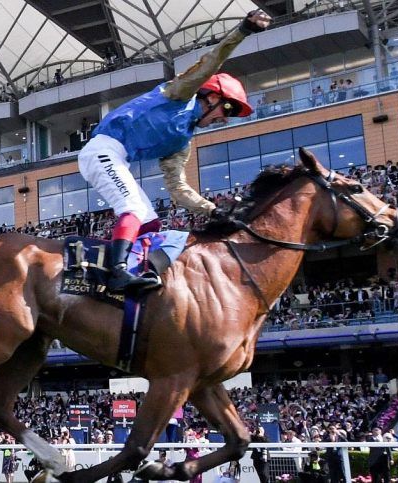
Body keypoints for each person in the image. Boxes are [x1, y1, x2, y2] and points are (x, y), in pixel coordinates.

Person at [77, 9, 271, 293]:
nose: (225, 118)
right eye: (227, 109)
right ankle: (116, 272)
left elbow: (178, 189)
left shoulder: (183, 140)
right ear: (213, 97)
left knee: (151, 221)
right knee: (131, 208)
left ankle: (129, 271)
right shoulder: (181, 94)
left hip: (116, 158)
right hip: (101, 150)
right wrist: (243, 30)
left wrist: (213, 210)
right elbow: (211, 62)